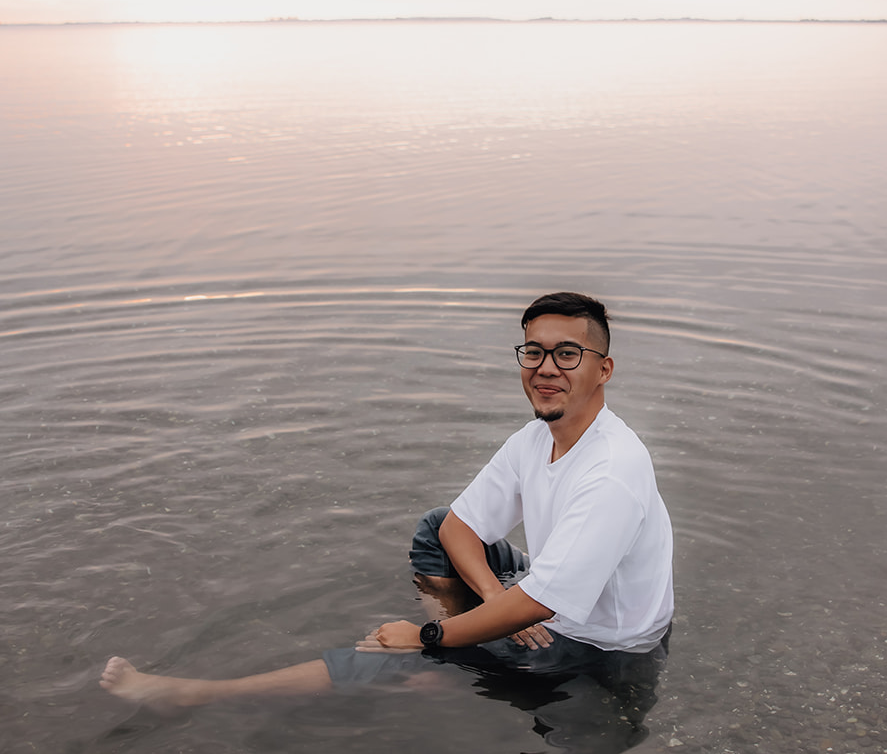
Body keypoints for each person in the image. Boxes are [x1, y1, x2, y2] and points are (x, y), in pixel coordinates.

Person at [100, 291, 674, 728]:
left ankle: (193, 694)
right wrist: (493, 603)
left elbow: (543, 602)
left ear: (604, 368)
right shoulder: (535, 438)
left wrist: (424, 636)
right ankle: (451, 652)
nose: (546, 368)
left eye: (568, 353)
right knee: (435, 527)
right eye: (534, 351)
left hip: (596, 646)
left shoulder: (611, 471)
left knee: (396, 649)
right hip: (543, 599)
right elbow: (457, 527)